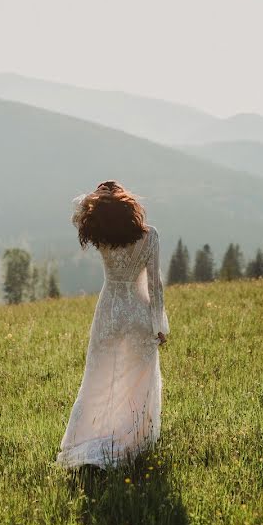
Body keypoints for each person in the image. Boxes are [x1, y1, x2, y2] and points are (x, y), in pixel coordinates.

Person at [56, 180, 169, 469]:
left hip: (109, 312)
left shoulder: (102, 236)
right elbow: (155, 285)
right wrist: (160, 324)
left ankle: (87, 438)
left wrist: (96, 198)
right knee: (137, 381)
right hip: (139, 314)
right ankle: (132, 439)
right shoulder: (150, 236)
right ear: (130, 205)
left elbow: (76, 214)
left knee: (99, 378)